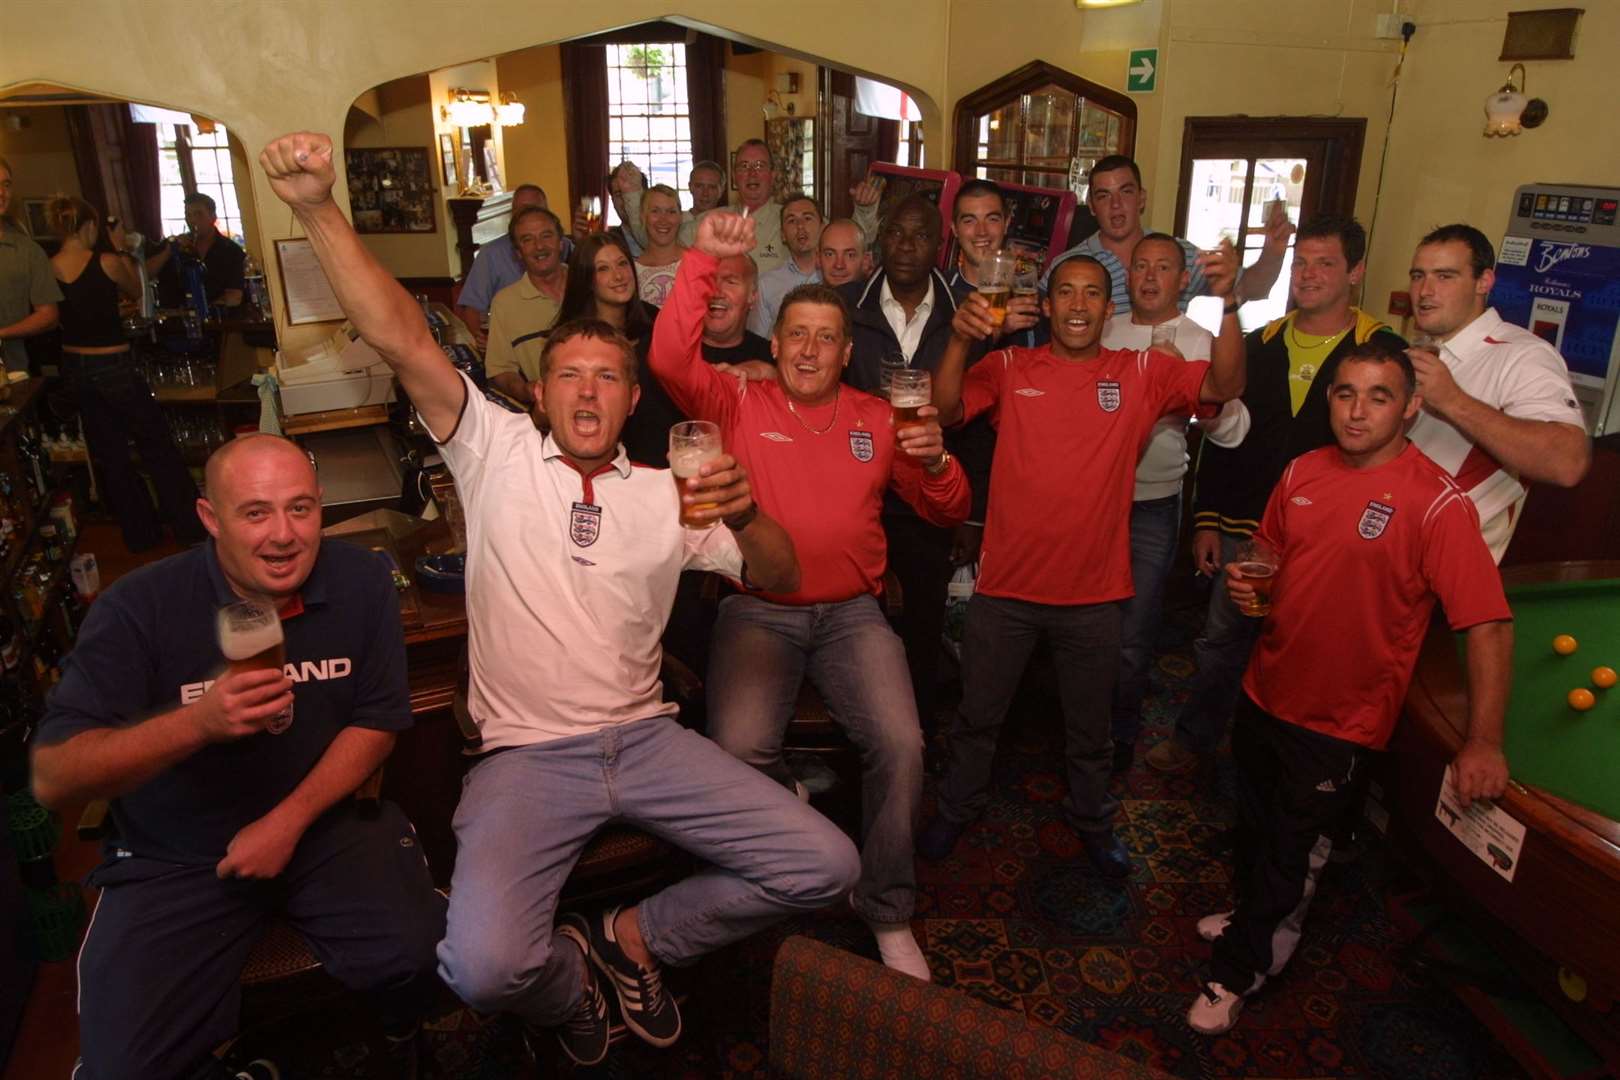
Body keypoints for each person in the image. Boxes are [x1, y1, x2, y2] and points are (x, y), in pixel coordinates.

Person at [259, 131, 857, 1066]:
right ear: (538, 396)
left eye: (608, 378)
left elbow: (780, 575)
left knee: (826, 864)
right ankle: (567, 984)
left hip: (650, 739)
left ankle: (639, 937)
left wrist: (746, 515)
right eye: (569, 376)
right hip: (528, 758)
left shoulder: (670, 490)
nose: (588, 391)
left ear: (630, 402)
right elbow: (397, 333)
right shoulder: (493, 451)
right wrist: (312, 205)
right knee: (484, 968)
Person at [31, 433, 446, 1080]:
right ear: (209, 518)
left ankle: (383, 1039)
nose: (283, 535)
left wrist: (286, 823)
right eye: (255, 513)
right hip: (177, 854)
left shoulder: (363, 580)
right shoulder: (138, 607)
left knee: (426, 957)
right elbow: (55, 776)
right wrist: (196, 722)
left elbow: (377, 720)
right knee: (123, 1068)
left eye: (301, 509)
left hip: (325, 825)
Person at [650, 211, 970, 981]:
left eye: (826, 337)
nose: (809, 349)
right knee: (737, 750)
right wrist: (703, 258)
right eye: (797, 334)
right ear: (776, 339)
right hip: (758, 608)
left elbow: (946, 511)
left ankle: (885, 906)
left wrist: (934, 467)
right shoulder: (737, 403)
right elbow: (666, 355)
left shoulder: (875, 415)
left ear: (846, 350)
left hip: (854, 614)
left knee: (903, 743)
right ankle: (795, 827)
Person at [1187, 341, 1512, 1035]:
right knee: (1251, 826)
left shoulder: (1437, 505)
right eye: (1344, 393)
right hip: (1265, 687)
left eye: (1379, 396)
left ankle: (1239, 973)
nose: (1357, 411)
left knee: (1290, 851)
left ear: (1412, 407)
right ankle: (1251, 918)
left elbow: (1486, 625)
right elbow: (1269, 553)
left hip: (1341, 721)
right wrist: (1252, 582)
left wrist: (1484, 739)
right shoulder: (1302, 469)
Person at [917, 243, 1246, 875]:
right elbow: (948, 406)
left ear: (1107, 306)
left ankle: (1093, 820)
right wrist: (960, 338)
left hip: (1094, 595)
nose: (1078, 304)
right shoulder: (1011, 365)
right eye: (1065, 291)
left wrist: (1229, 305)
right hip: (1007, 590)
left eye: (1092, 292)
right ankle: (956, 809)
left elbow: (1224, 386)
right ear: (1046, 304)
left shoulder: (1141, 371)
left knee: (1091, 732)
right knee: (978, 716)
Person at [1148, 215, 1407, 773]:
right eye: (1303, 262)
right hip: (1249, 535)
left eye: (1326, 263)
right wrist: (1208, 520)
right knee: (1220, 646)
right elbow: (1224, 436)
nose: (1309, 274)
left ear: (1356, 271)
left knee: (1310, 657)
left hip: (1334, 542)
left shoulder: (1381, 353)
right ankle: (1195, 741)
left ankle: (1286, 766)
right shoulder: (1260, 343)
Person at [839, 193, 993, 742]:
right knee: (856, 623)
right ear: (880, 238)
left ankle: (918, 733)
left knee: (923, 623)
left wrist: (972, 517)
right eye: (896, 234)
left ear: (940, 244)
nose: (906, 246)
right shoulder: (845, 304)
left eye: (920, 235)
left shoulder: (970, 311)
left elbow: (982, 421)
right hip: (856, 496)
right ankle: (862, 734)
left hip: (934, 493)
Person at [1100, 232, 1249, 771]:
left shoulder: (1204, 339)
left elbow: (1234, 429)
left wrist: (1192, 394)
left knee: (1136, 631)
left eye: (1163, 267)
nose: (1150, 276)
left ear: (1182, 278)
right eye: (1141, 266)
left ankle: (1120, 734)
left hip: (1154, 504)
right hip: (1092, 504)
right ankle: (1082, 727)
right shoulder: (1101, 330)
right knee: (1087, 625)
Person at [1405, 223, 1591, 561]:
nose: (1425, 291)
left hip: (1452, 576)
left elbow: (1568, 462)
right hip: (1392, 553)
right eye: (1418, 276)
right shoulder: (1420, 351)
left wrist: (1452, 400)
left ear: (1484, 282)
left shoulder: (1522, 354)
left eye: (1445, 276)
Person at [47, 196, 205, 552]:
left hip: (75, 368)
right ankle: (189, 529)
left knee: (112, 455)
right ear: (90, 226)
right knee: (157, 446)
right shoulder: (106, 261)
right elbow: (139, 290)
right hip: (113, 364)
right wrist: (119, 250)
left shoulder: (51, 266)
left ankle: (140, 535)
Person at [1044, 155, 1288, 315]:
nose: (1116, 204)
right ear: (1092, 206)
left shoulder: (1179, 253)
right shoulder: (1067, 264)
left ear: (1141, 199)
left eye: (1125, 192)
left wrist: (1273, 253)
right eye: (1104, 195)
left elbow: (1250, 288)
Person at [626, 141, 881, 274]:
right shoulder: (709, 221)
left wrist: (865, 210)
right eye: (744, 167)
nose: (752, 174)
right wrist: (632, 194)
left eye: (759, 166)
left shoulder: (794, 218)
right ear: (734, 176)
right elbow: (655, 241)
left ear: (773, 174)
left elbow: (851, 244)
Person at [620, 248, 772, 469]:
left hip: (734, 493)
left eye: (730, 281)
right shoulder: (652, 350)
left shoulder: (771, 358)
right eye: (709, 280)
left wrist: (768, 372)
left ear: (752, 296)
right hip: (650, 488)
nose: (716, 291)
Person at [483, 205, 567, 403]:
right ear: (518, 253)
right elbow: (501, 370)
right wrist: (525, 391)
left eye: (546, 236)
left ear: (561, 242)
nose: (539, 246)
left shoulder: (589, 283)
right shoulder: (505, 303)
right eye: (527, 240)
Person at [454, 182, 550, 349]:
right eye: (518, 211)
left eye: (530, 210)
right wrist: (487, 346)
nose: (523, 216)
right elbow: (471, 309)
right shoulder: (491, 254)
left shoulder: (562, 247)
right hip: (508, 348)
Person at [945, 179, 1039, 341]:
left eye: (992, 219)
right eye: (969, 220)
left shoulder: (1028, 295)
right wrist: (996, 329)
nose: (981, 231)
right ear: (954, 229)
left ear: (1007, 223)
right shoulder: (937, 294)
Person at [0, 155, 62, 373]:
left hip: (13, 372)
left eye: (6, 185)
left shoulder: (28, 250)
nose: (1, 193)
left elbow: (49, 315)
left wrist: (2, 333)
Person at [148, 192, 246, 310]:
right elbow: (145, 275)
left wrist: (205, 310)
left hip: (219, 320)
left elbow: (235, 295)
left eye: (198, 214)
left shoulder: (231, 250)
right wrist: (168, 252)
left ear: (213, 217)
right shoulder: (173, 245)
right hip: (175, 321)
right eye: (188, 215)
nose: (192, 220)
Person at [747, 194, 823, 336]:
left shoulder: (837, 276)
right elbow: (756, 341)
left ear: (822, 227)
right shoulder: (766, 284)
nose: (800, 226)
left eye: (807, 218)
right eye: (792, 220)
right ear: (782, 235)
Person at [634, 184, 686, 307]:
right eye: (655, 211)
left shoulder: (697, 263)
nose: (663, 220)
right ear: (643, 217)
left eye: (671, 212)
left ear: (680, 217)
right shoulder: (630, 271)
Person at [816, 218, 866, 289]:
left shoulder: (879, 299)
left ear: (865, 260)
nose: (839, 265)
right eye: (830, 254)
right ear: (818, 259)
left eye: (850, 255)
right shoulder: (804, 299)